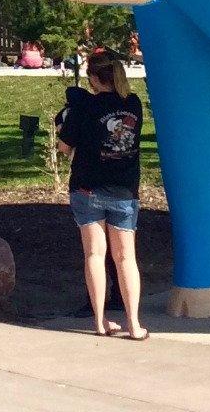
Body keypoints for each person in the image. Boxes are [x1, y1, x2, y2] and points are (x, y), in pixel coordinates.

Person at [57, 47, 148, 340]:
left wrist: (66, 120)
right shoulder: (133, 104)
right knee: (126, 259)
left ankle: (99, 321)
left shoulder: (85, 107)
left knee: (95, 255)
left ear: (95, 79)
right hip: (123, 190)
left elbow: (64, 146)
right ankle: (134, 324)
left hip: (87, 187)